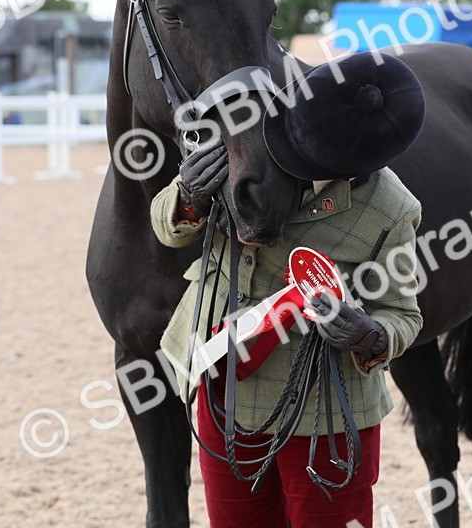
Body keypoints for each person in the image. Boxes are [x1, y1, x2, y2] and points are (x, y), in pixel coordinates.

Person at [153, 52, 425, 528]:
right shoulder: (245, 138)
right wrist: (186, 197)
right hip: (225, 388)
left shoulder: (393, 209)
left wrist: (371, 335)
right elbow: (166, 229)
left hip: (326, 412)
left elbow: (403, 314)